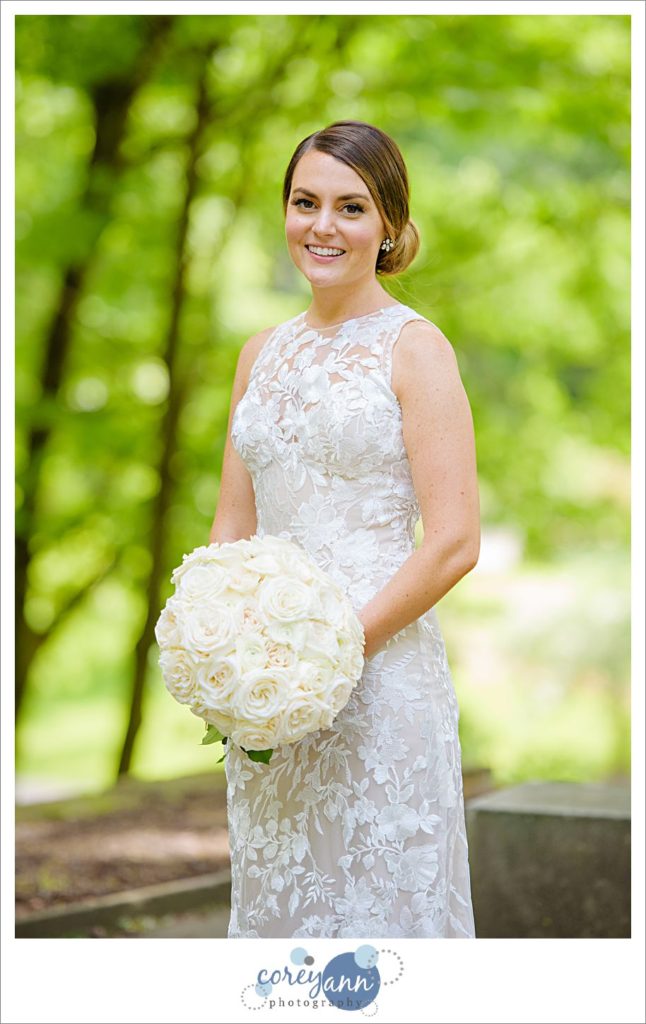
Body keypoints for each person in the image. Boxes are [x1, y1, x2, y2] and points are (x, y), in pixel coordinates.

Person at [209, 119, 480, 938]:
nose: (323, 226)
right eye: (305, 202)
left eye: (351, 207)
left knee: (381, 918)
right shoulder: (260, 354)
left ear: (390, 225)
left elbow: (455, 540)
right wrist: (228, 652)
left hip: (378, 679)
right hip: (271, 696)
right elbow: (233, 521)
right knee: (284, 918)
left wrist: (328, 658)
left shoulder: (415, 349)